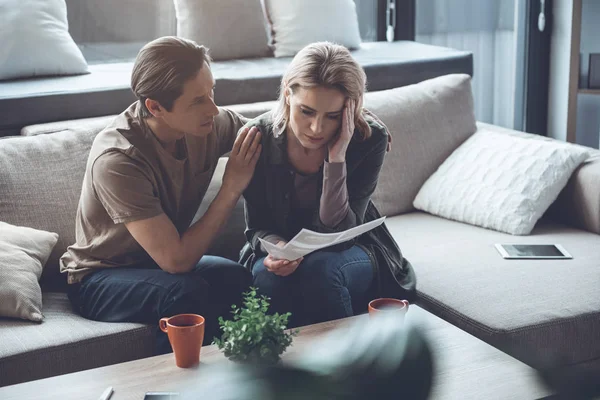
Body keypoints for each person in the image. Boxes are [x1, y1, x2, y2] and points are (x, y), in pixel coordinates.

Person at [60, 36, 262, 353]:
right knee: (183, 292)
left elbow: (271, 135)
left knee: (237, 278)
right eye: (197, 100)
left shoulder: (206, 125)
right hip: (100, 278)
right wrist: (231, 185)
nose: (213, 108)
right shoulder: (119, 159)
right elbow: (177, 261)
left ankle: (247, 379)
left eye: (212, 92)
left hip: (153, 267)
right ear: (155, 106)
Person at [240, 42, 416, 327]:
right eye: (306, 111)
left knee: (321, 270)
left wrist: (337, 159)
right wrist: (277, 248)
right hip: (277, 248)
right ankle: (273, 368)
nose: (316, 129)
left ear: (350, 109)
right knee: (267, 276)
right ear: (287, 94)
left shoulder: (368, 140)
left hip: (351, 250)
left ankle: (343, 369)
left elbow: (343, 232)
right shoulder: (258, 137)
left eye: (332, 116)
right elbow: (256, 226)